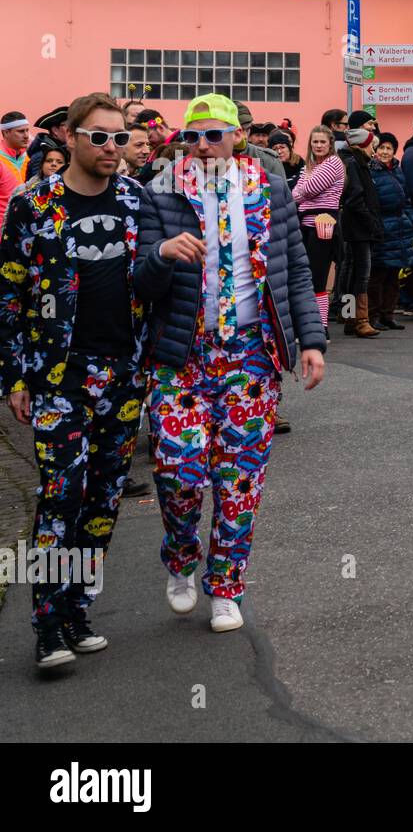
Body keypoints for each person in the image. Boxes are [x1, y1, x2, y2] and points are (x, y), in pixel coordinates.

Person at [135, 93, 325, 634]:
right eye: (191, 136)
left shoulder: (269, 189)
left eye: (213, 134)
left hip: (249, 351)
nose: (201, 146)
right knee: (177, 470)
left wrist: (311, 340)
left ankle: (225, 586)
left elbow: (296, 271)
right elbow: (142, 286)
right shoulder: (161, 192)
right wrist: (161, 255)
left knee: (239, 479)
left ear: (236, 137)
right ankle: (181, 558)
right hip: (182, 352)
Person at [1, 93, 149, 668]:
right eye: (100, 137)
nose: (112, 147)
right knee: (60, 493)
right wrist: (14, 373)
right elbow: (9, 291)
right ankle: (46, 624)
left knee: (103, 499)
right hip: (57, 375)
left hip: (124, 375)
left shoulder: (139, 201)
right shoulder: (33, 203)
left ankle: (77, 607)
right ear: (69, 137)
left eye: (120, 137)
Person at [291, 125, 345, 331]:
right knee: (305, 277)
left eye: (323, 142)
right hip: (305, 225)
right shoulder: (308, 166)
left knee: (317, 278)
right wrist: (299, 193)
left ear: (330, 144)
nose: (319, 145)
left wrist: (296, 195)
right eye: (315, 142)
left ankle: (321, 327)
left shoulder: (333, 163)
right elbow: (300, 190)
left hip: (323, 225)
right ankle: (308, 324)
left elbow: (307, 190)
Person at [367, 132, 413, 331]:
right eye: (381, 147)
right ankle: (373, 316)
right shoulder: (371, 171)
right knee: (377, 275)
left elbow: (405, 199)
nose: (385, 151)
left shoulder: (397, 170)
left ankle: (388, 315)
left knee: (393, 276)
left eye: (389, 148)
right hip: (382, 227)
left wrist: (411, 219)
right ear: (375, 149)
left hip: (399, 227)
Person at [337, 127, 384, 338]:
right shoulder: (355, 165)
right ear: (361, 146)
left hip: (355, 228)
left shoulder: (354, 163)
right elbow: (355, 198)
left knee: (353, 273)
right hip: (359, 229)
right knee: (361, 275)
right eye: (372, 146)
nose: (374, 151)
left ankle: (350, 318)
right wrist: (372, 222)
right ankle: (361, 321)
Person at [233, 102, 286, 181]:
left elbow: (279, 192)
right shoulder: (211, 158)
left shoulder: (268, 159)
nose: (244, 135)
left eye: (247, 129)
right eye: (238, 130)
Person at [1, 111, 31, 224]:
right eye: (21, 131)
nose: (26, 135)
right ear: (6, 132)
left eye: (27, 130)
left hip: (26, 229)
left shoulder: (31, 157)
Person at [25, 106, 70, 180]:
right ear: (55, 130)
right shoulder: (41, 155)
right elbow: (39, 185)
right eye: (68, 125)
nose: (72, 129)